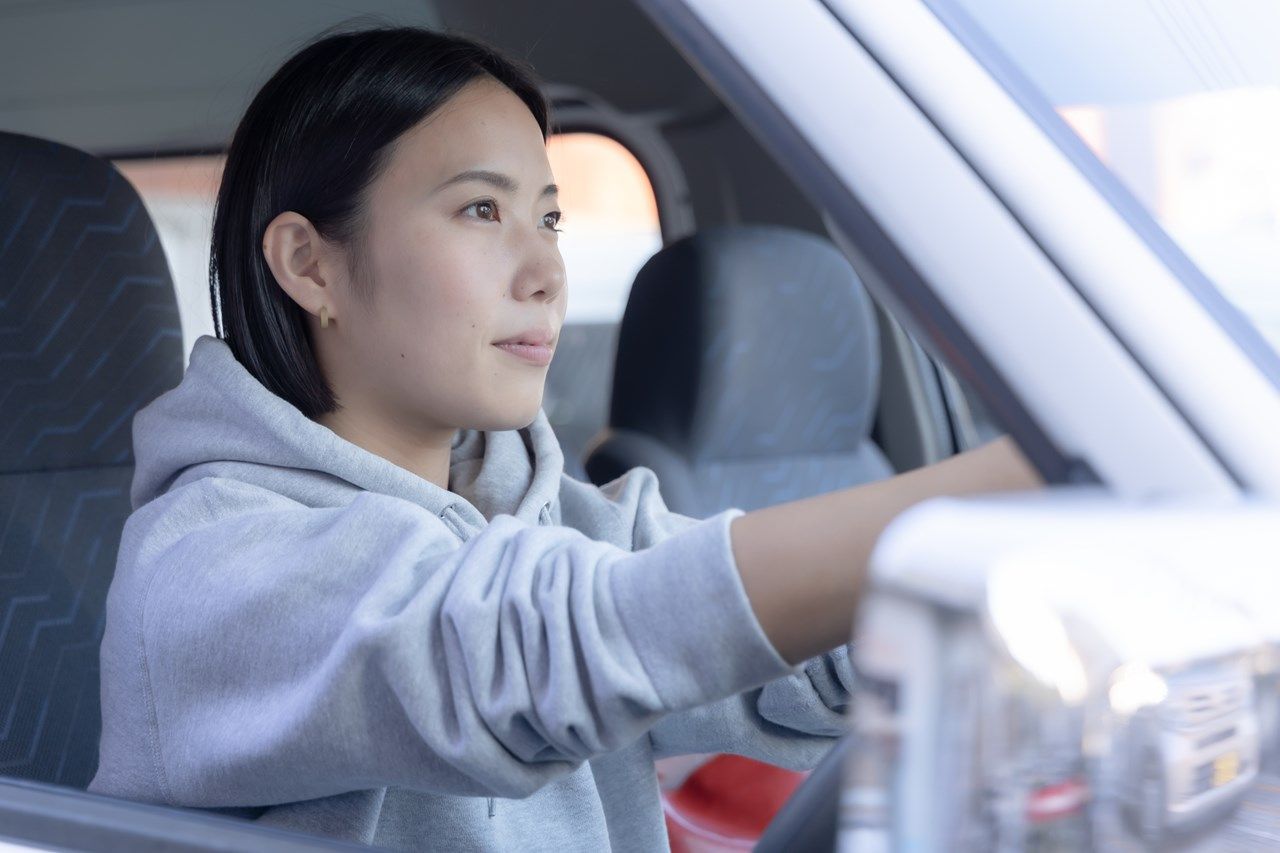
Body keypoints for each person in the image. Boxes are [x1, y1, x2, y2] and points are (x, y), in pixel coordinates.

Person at [87, 24, 1043, 852]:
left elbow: (782, 667)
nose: (546, 268)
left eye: (549, 215)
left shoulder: (561, 515)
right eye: (480, 209)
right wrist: (1020, 476)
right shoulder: (211, 565)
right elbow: (542, 648)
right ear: (310, 264)